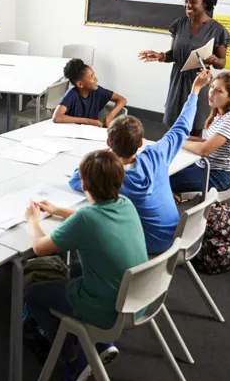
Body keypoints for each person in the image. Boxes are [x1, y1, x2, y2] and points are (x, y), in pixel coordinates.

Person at [24, 150, 148, 381]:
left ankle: (73, 359)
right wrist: (59, 210)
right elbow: (91, 217)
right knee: (78, 267)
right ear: (120, 181)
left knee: (33, 295)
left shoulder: (86, 221)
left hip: (110, 312)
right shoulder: (126, 203)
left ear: (83, 184)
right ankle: (100, 344)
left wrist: (32, 220)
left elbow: (39, 248)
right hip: (140, 298)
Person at [69, 70, 212, 255]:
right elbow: (182, 127)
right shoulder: (157, 154)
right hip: (175, 235)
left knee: (94, 227)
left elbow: (75, 181)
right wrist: (195, 89)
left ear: (108, 143)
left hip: (147, 245)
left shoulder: (108, 177)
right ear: (141, 143)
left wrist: (96, 157)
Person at [139, 0, 230, 136]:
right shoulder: (179, 24)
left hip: (200, 82)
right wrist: (160, 56)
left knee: (195, 130)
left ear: (206, 2)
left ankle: (191, 162)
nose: (188, 5)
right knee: (173, 129)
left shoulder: (217, 30)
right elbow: (174, 54)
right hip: (177, 81)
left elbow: (222, 62)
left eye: (193, 2)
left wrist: (215, 60)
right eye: (186, 1)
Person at [171, 72, 230, 194]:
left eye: (218, 90)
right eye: (212, 87)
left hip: (216, 176)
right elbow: (210, 143)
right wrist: (187, 139)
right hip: (203, 165)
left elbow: (204, 149)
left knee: (162, 178)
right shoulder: (220, 113)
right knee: (164, 168)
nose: (211, 93)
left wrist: (178, 141)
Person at [53, 59, 127, 127]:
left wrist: (111, 115)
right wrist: (87, 121)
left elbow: (122, 100)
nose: (96, 79)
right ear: (80, 84)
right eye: (91, 76)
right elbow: (57, 117)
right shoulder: (72, 94)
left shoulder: (97, 91)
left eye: (93, 74)